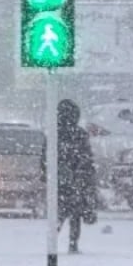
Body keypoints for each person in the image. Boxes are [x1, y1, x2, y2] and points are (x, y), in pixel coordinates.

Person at [53, 99, 99, 254]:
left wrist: (48, 175)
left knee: (59, 214)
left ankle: (53, 240)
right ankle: (73, 243)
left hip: (59, 181)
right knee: (75, 215)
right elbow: (86, 158)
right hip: (76, 180)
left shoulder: (54, 133)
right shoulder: (80, 134)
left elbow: (46, 157)